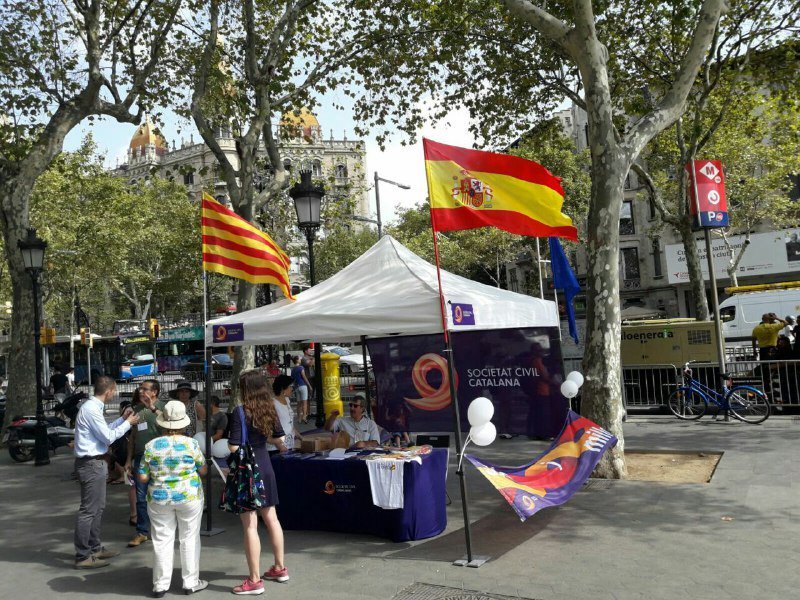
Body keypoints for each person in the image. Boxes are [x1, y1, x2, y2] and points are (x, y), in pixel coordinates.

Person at [137, 400, 208, 597]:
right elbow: (203, 470)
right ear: (183, 423)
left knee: (161, 539)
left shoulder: (151, 446)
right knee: (189, 538)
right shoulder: (191, 443)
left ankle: (160, 585)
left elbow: (142, 476)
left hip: (159, 498)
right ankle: (190, 582)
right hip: (189, 496)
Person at [229, 370, 289, 595]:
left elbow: (234, 446)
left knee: (251, 525)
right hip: (266, 465)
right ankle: (280, 567)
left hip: (248, 472)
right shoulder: (269, 409)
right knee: (272, 519)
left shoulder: (240, 412)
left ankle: (254, 580)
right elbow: (278, 438)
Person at [73, 376, 139, 569]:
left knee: (97, 508)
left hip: (95, 463)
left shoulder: (92, 408)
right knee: (89, 510)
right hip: (91, 463)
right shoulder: (92, 409)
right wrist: (129, 423)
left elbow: (104, 430)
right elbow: (108, 436)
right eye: (115, 390)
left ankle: (94, 548)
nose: (115, 394)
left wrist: (122, 419)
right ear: (109, 391)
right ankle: (83, 554)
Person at [126, 379, 165, 549]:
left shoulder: (163, 407)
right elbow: (133, 436)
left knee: (161, 495)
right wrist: (128, 459)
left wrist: (153, 408)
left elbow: (170, 426)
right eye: (140, 388)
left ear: (154, 392)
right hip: (141, 457)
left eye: (145, 389)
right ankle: (142, 532)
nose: (141, 391)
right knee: (141, 497)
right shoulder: (136, 409)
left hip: (160, 457)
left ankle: (162, 530)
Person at [267, 374, 302, 455]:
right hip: (277, 449)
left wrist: (301, 437)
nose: (292, 389)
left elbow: (289, 424)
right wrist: (280, 446)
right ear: (283, 388)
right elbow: (270, 427)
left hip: (288, 446)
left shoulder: (287, 400)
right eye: (290, 386)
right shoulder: (273, 403)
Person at [290, 355, 311, 424]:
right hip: (303, 385)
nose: (300, 359)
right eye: (299, 358)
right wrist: (309, 385)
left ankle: (299, 418)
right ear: (297, 360)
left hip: (296, 387)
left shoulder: (293, 369)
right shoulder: (301, 367)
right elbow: (304, 377)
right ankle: (304, 416)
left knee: (298, 403)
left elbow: (292, 379)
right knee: (304, 402)